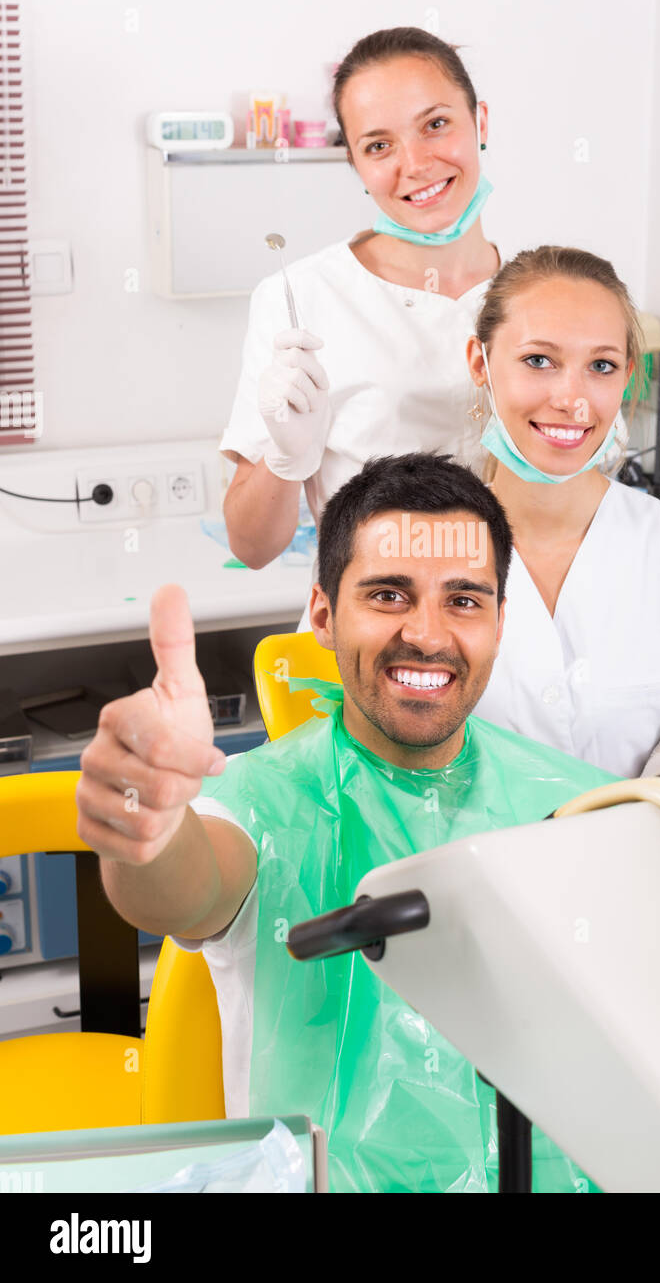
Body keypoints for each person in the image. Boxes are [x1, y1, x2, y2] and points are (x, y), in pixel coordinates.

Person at [76, 453, 619, 1194]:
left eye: (464, 600)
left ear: (499, 621)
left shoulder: (587, 805)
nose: (427, 635)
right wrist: (147, 821)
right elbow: (185, 891)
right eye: (390, 594)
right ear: (326, 617)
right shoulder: (265, 801)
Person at [465, 245, 660, 779]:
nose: (573, 400)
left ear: (627, 376)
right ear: (481, 364)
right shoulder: (408, 540)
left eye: (601, 366)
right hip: (459, 864)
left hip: (640, 860)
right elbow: (342, 756)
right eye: (539, 360)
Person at [220, 26, 501, 581]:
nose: (415, 164)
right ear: (354, 162)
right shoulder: (301, 299)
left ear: (481, 122)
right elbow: (251, 547)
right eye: (379, 145)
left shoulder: (534, 293)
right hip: (368, 633)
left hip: (508, 633)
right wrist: (286, 458)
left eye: (436, 124)